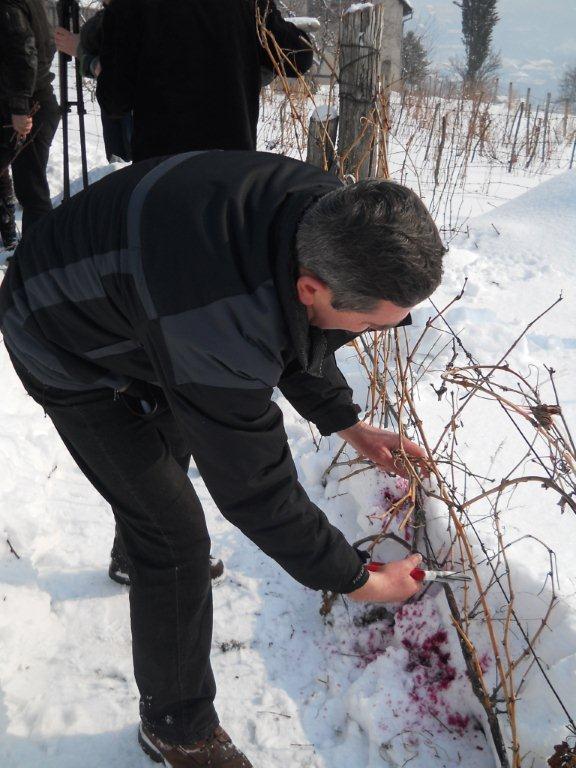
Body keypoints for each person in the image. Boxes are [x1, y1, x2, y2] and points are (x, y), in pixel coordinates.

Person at [0, 149, 444, 767]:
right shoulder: (215, 318)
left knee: (177, 432)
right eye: (371, 323)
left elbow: (301, 330)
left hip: (142, 303)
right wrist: (356, 579)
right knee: (175, 537)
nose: (368, 333)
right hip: (60, 335)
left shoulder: (326, 214)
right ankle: (177, 727)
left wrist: (349, 425)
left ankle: (135, 549)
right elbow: (255, 488)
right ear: (314, 285)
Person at [96, 0, 313, 161]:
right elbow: (300, 56)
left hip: (161, 172)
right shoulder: (250, 4)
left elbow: (114, 101)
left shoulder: (128, 6)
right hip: (231, 168)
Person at [0, 0, 60, 235]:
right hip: (35, 101)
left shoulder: (9, 6)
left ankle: (41, 260)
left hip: (31, 108)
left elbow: (24, 54)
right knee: (30, 188)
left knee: (32, 191)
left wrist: (19, 108)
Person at [54, 1, 133, 164]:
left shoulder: (138, 14)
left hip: (138, 116)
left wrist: (82, 52)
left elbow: (113, 67)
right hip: (118, 106)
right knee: (118, 165)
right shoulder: (112, 17)